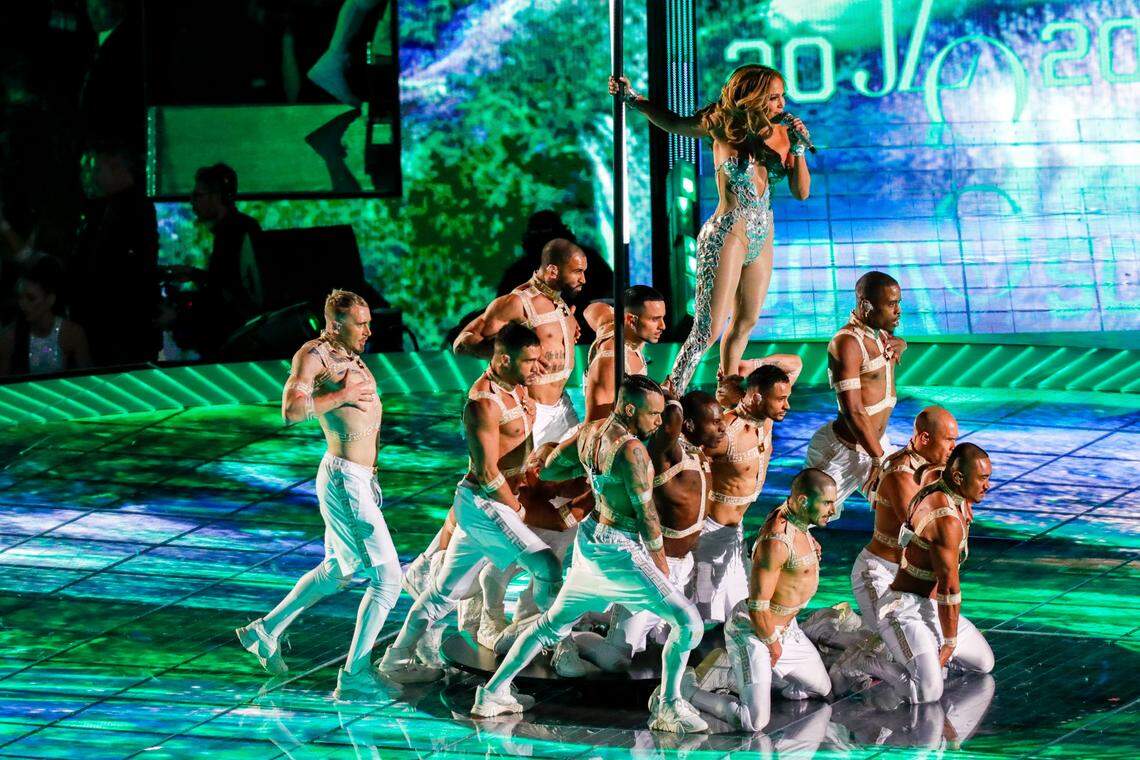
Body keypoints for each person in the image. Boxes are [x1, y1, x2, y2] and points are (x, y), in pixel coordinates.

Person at [471, 375, 708, 734]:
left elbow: (550, 467)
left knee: (550, 625)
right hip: (619, 550)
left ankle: (492, 693)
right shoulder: (633, 451)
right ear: (630, 409)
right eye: (653, 414)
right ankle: (668, 705)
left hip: (590, 541)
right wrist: (661, 567)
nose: (659, 422)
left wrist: (593, 478)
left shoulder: (591, 430)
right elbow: (647, 516)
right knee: (688, 623)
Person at [235, 290, 404, 699]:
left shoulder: (348, 352)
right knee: (388, 579)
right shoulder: (313, 356)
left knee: (339, 571)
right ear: (334, 324)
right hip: (345, 480)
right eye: (360, 324)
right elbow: (291, 411)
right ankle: (355, 674)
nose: (369, 330)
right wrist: (342, 396)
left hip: (360, 479)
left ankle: (266, 631)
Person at [379, 324, 565, 682]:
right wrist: (518, 508)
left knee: (444, 593)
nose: (535, 368)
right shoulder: (483, 403)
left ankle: (395, 659)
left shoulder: (518, 386)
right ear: (504, 359)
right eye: (528, 361)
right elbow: (486, 471)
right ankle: (557, 643)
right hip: (485, 503)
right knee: (547, 567)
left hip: (482, 505)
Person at [612, 66, 812, 394]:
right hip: (728, 232)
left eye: (782, 96)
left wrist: (801, 149)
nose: (781, 103)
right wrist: (634, 100)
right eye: (774, 96)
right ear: (755, 97)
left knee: (745, 323)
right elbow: (672, 122)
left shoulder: (782, 135)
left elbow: (802, 192)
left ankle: (728, 392)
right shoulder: (722, 124)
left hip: (763, 235)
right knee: (708, 329)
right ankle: (670, 392)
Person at [576, 390, 724, 671]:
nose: (722, 427)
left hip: (682, 566)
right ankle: (568, 641)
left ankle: (601, 616)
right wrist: (672, 395)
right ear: (688, 425)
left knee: (664, 638)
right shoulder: (666, 451)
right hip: (653, 566)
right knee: (616, 659)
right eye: (714, 422)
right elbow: (671, 422)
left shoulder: (699, 453)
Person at [683, 469, 837, 732]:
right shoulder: (776, 542)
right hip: (755, 631)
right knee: (754, 721)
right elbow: (757, 606)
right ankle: (686, 690)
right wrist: (771, 644)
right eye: (827, 503)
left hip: (788, 630)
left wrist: (810, 542)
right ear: (802, 501)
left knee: (819, 689)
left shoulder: (793, 515)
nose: (833, 510)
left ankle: (736, 673)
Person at [842, 444, 995, 703]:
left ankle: (925, 658)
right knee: (928, 693)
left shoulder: (939, 482)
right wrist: (948, 642)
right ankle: (867, 661)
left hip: (930, 606)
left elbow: (927, 470)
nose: (987, 486)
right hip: (905, 609)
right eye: (982, 479)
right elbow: (949, 589)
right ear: (958, 478)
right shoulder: (945, 521)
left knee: (984, 663)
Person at [455, 238, 586, 447]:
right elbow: (462, 343)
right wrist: (513, 352)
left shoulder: (559, 302)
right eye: (578, 272)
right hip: (531, 409)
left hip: (563, 406)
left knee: (579, 476)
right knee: (523, 478)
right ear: (553, 271)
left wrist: (568, 329)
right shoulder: (517, 302)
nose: (583, 279)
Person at [695, 363, 794, 623]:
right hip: (708, 536)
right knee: (699, 611)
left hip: (735, 533)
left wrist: (747, 368)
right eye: (781, 399)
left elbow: (795, 363)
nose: (787, 406)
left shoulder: (766, 421)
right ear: (758, 397)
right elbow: (688, 467)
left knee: (737, 609)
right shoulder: (725, 431)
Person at [804, 271, 906, 516]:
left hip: (876, 445)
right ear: (866, 305)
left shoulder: (881, 335)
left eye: (898, 303)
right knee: (803, 517)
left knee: (907, 504)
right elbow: (853, 410)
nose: (898, 310)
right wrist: (878, 460)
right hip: (843, 451)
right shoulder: (846, 343)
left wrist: (902, 343)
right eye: (891, 304)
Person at [852, 407, 958, 631]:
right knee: (891, 646)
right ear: (925, 438)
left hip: (910, 578)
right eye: (948, 440)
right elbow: (922, 535)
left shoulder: (934, 467)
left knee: (977, 659)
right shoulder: (902, 474)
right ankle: (828, 631)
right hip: (880, 573)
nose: (953, 447)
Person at [70, 141, 160, 366]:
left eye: (99, 170)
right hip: (112, 321)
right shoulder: (110, 207)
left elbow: (128, 266)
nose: (96, 177)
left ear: (117, 168)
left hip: (119, 323)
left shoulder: (131, 208)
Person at [189, 163, 262, 355]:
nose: (192, 202)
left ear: (217, 196)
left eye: (198, 196)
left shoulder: (231, 232)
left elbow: (225, 286)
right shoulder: (238, 227)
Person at [583, 285, 667, 421]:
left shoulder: (613, 325)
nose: (663, 326)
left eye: (662, 318)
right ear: (631, 320)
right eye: (654, 319)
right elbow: (594, 426)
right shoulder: (611, 362)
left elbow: (591, 309)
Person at [0, 256, 91, 376]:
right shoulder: (9, 337)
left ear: (50, 299)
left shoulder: (72, 334)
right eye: (20, 297)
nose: (23, 305)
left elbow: (89, 380)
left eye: (31, 299)